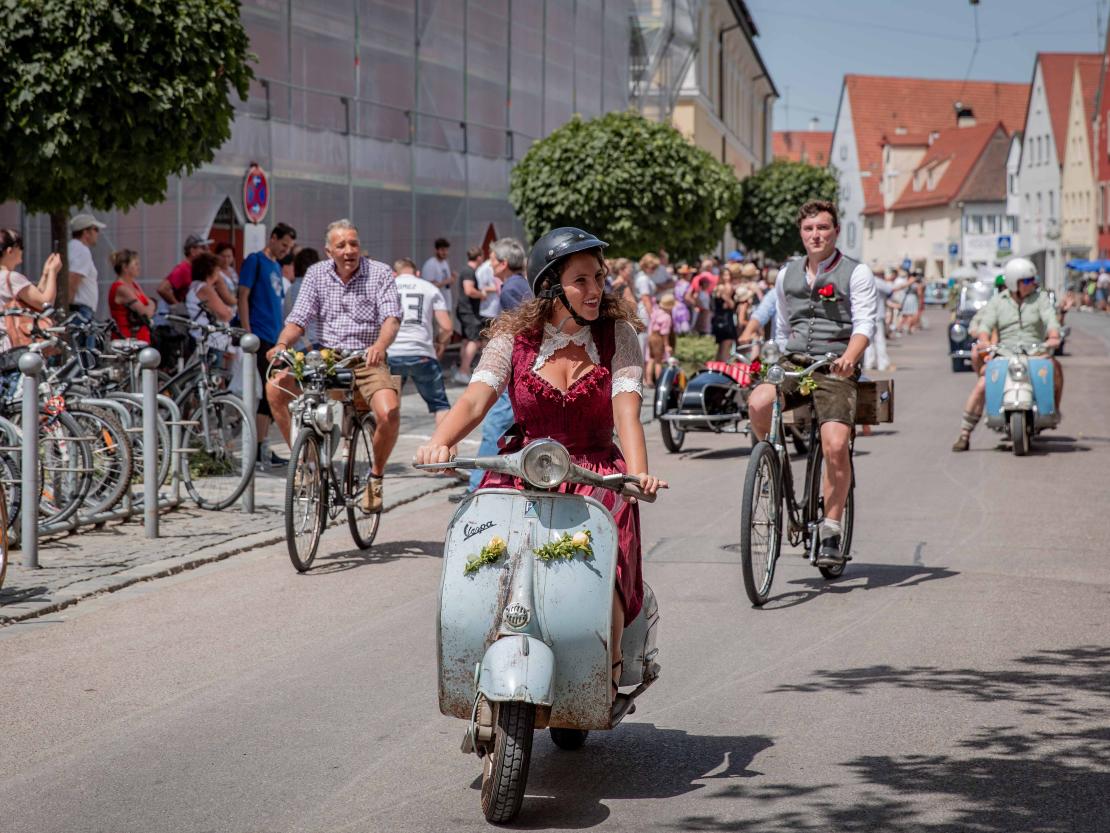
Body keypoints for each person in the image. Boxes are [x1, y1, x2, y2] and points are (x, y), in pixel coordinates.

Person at [414, 227, 665, 716]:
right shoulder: (514, 338)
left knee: (609, 564)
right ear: (551, 286)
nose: (595, 291)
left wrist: (637, 475)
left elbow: (626, 415)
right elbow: (475, 400)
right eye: (581, 281)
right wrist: (439, 442)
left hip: (595, 471)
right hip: (524, 467)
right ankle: (485, 643)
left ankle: (607, 669)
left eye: (599, 278)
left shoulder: (619, 338)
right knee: (486, 552)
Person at [747, 200, 876, 568]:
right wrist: (774, 356)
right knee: (757, 402)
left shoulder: (856, 272)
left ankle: (832, 527)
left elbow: (865, 323)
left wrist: (851, 356)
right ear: (801, 233)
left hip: (835, 365)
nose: (815, 235)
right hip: (794, 361)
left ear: (835, 231)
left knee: (835, 444)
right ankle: (770, 466)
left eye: (822, 228)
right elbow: (784, 327)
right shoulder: (786, 274)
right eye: (809, 229)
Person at [266, 219, 402, 512]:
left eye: (353, 243)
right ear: (329, 251)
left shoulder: (378, 273)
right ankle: (305, 464)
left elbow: (392, 318)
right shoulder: (316, 274)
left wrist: (379, 346)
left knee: (389, 411)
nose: (349, 250)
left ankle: (375, 478)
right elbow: (298, 319)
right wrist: (281, 346)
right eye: (341, 245)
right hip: (325, 358)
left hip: (365, 358)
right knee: (276, 387)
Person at [951, 257, 1062, 452]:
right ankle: (965, 433)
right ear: (1013, 282)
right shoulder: (998, 302)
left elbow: (1050, 320)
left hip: (1035, 352)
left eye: (1032, 280)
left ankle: (1052, 411)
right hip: (1004, 353)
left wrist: (1054, 336)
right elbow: (985, 325)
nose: (1032, 284)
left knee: (1055, 369)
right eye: (1027, 280)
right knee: (982, 385)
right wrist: (984, 340)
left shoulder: (1040, 299)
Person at [460, 238, 531, 498]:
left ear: (502, 263)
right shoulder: (519, 284)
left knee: (493, 426)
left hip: (513, 366)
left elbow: (525, 329)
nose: (489, 265)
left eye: (492, 260)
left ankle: (477, 487)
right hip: (519, 366)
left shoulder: (512, 288)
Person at [239, 222, 297, 468]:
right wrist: (246, 331)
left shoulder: (275, 266)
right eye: (283, 245)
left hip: (275, 337)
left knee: (276, 390)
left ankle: (262, 446)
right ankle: (258, 447)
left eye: (289, 247)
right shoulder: (255, 261)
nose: (286, 250)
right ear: (272, 238)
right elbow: (242, 295)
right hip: (260, 335)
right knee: (269, 390)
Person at [388, 257, 453, 437]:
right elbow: (447, 327)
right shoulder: (429, 288)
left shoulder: (387, 287)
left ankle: (379, 458)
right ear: (417, 273)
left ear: (395, 273)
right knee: (440, 406)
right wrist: (439, 343)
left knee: (389, 405)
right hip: (421, 352)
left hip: (391, 352)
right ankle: (445, 458)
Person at [0, 228, 61, 353]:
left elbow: (34, 299)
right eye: (21, 247)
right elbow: (45, 303)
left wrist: (45, 274)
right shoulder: (11, 278)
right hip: (13, 346)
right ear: (10, 251)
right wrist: (53, 272)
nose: (22, 251)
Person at [186, 251, 236, 367]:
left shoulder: (195, 286)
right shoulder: (204, 288)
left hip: (201, 337)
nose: (219, 274)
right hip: (211, 341)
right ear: (210, 270)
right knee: (213, 377)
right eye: (217, 270)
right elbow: (224, 314)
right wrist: (228, 309)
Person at [68, 214, 106, 343]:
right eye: (95, 229)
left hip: (79, 311)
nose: (98, 234)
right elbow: (73, 279)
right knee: (84, 357)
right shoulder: (81, 250)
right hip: (80, 311)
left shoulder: (74, 247)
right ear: (86, 232)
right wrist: (69, 309)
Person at [107, 249, 155, 343]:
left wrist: (150, 304)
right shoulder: (121, 288)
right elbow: (145, 313)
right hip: (127, 341)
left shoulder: (134, 285)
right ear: (125, 267)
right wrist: (151, 305)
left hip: (141, 339)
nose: (139, 267)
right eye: (135, 264)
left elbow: (149, 303)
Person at [455, 246, 487, 383]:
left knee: (467, 341)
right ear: (479, 257)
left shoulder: (467, 270)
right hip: (468, 311)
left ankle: (464, 371)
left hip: (465, 310)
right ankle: (463, 371)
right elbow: (469, 290)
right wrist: (482, 295)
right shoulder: (468, 271)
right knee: (475, 340)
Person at [157, 233, 213, 306]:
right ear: (192, 251)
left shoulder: (195, 268)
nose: (207, 251)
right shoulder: (183, 269)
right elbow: (162, 289)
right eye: (203, 248)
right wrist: (179, 307)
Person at [646, 292, 675, 384]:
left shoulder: (656, 312)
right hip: (659, 338)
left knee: (651, 359)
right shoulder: (667, 317)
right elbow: (665, 333)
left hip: (651, 336)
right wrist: (667, 345)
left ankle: (649, 380)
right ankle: (659, 381)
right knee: (658, 361)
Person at [421, 237, 455, 313]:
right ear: (436, 250)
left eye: (446, 250)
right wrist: (446, 281)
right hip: (435, 307)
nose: (445, 252)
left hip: (446, 304)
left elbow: (447, 284)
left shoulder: (445, 263)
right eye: (442, 250)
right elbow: (429, 286)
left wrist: (452, 279)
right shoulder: (431, 264)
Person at [711, 267, 738, 361]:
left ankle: (717, 368)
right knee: (726, 346)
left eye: (729, 275)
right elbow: (730, 305)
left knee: (721, 347)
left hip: (719, 319)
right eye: (725, 275)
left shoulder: (717, 287)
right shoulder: (724, 287)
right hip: (725, 320)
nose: (728, 277)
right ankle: (724, 369)